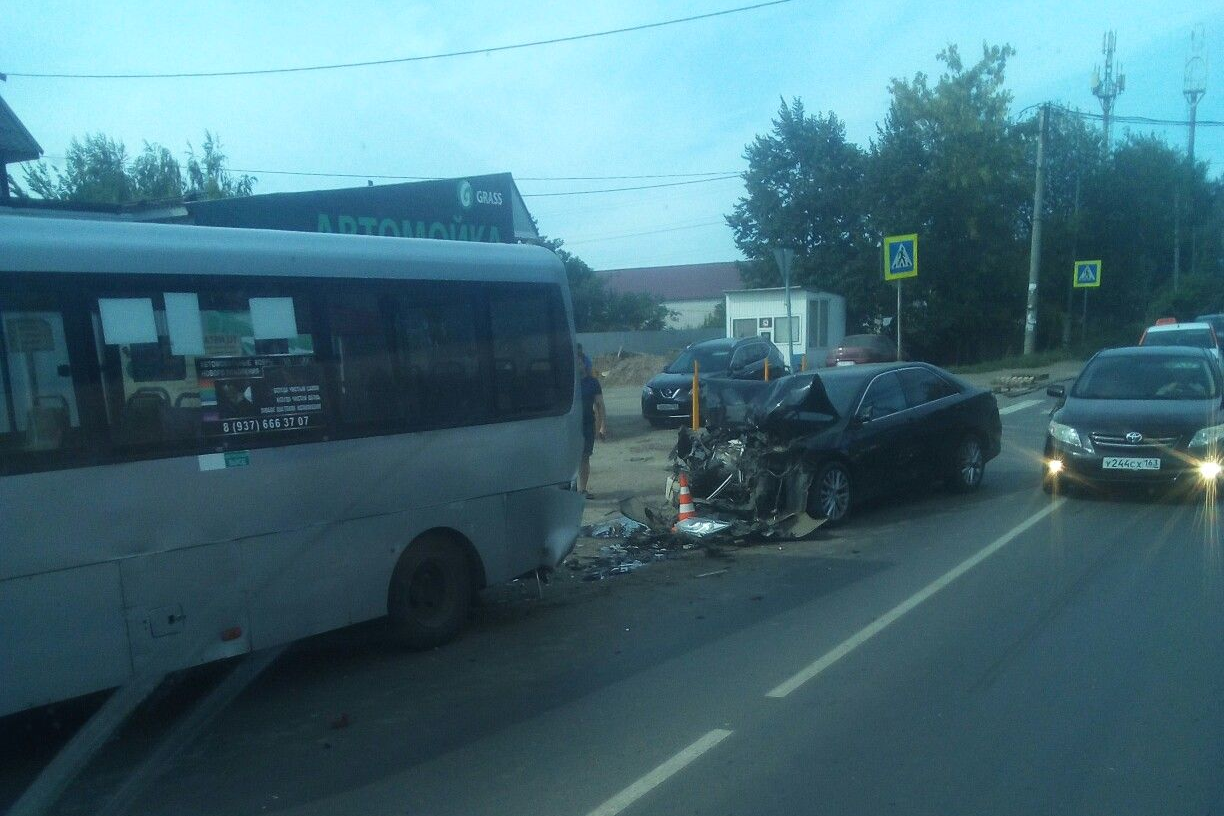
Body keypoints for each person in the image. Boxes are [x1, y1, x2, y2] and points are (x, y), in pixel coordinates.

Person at [578, 349, 607, 498]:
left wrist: (602, 427)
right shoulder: (567, 382)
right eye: (575, 362)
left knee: (584, 457)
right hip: (569, 427)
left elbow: (600, 405)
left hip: (587, 425)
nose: (578, 365)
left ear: (584, 364)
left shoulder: (593, 382)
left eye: (580, 362)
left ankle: (582, 490)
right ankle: (569, 489)